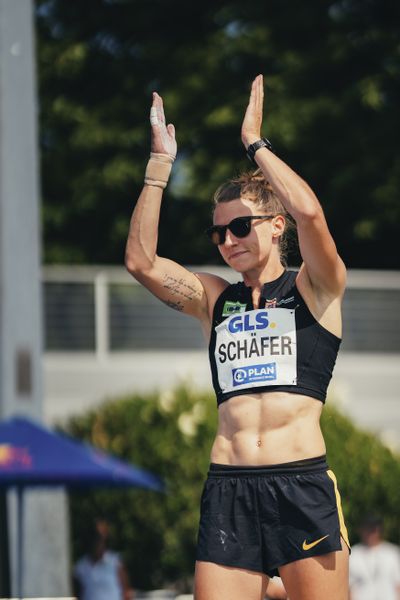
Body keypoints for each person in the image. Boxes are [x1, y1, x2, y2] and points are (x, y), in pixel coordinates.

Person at [125, 74, 350, 600]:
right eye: (218, 232)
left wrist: (255, 141)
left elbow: (310, 212)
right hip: (228, 488)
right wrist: (159, 169)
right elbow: (140, 261)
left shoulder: (315, 286)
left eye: (241, 227)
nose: (228, 241)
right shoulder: (214, 298)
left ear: (276, 226)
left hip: (300, 484)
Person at [73, 519, 133, 600]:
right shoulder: (80, 567)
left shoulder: (115, 562)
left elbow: (126, 592)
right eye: (95, 538)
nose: (98, 544)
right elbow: (76, 594)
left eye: (100, 539)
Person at [349, 514, 400, 600]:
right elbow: (349, 586)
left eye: (373, 529)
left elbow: (398, 584)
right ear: (361, 530)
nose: (370, 533)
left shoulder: (392, 552)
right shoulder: (353, 554)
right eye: (367, 529)